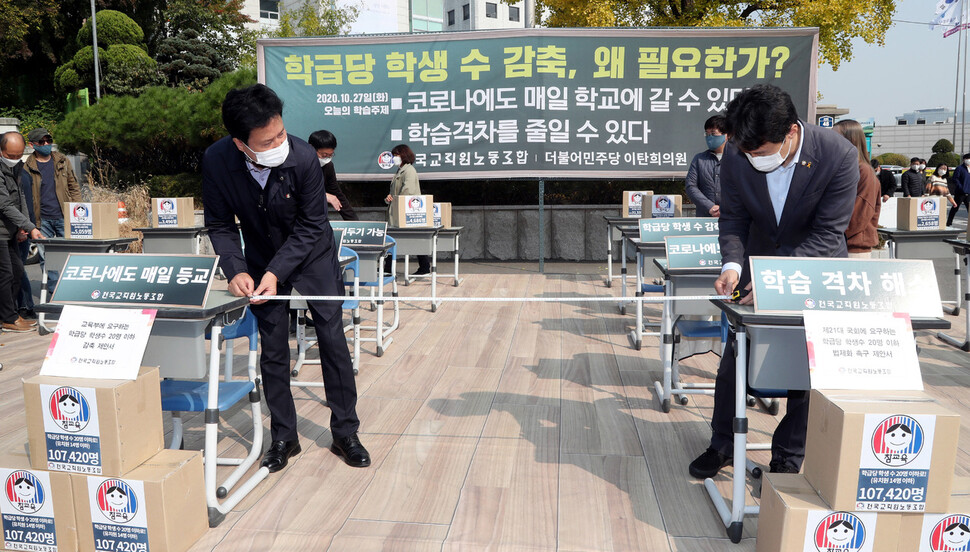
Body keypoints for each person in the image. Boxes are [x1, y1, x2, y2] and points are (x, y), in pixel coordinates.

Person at [688, 84, 858, 479]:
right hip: (755, 270)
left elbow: (828, 233)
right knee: (735, 360)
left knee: (807, 369)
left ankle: (787, 456)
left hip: (814, 272)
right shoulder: (735, 152)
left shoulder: (838, 155)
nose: (751, 159)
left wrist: (777, 279)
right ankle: (722, 444)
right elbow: (733, 218)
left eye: (760, 153)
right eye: (746, 152)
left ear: (791, 133)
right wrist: (731, 263)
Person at [202, 84, 370, 470]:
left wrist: (278, 271)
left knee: (331, 338)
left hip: (313, 255)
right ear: (240, 143)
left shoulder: (305, 157)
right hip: (260, 254)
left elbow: (312, 225)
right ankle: (284, 436)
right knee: (273, 345)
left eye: (280, 133)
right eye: (267, 140)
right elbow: (219, 224)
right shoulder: (216, 161)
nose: (279, 143)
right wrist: (236, 268)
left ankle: (345, 432)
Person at [23, 128, 82, 294]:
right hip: (41, 219)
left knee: (71, 253)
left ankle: (74, 288)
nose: (46, 144)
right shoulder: (27, 166)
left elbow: (73, 186)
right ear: (32, 145)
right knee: (46, 258)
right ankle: (56, 291)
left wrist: (78, 210)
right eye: (42, 142)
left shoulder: (62, 161)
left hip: (64, 215)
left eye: (48, 140)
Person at [0, 132, 43, 333]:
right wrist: (31, 227)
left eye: (19, 155)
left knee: (17, 271)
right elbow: (5, 205)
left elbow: (21, 198)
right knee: (6, 274)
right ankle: (7, 318)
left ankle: (10, 314)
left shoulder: (18, 167)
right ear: (1, 151)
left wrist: (24, 227)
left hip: (11, 230)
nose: (15, 159)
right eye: (11, 155)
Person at [833, 120, 881, 258]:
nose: (832, 142)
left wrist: (828, 234)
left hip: (854, 249)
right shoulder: (842, 168)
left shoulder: (864, 171)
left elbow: (860, 214)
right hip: (838, 244)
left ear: (850, 140)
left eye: (836, 137)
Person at [385, 144, 430, 275]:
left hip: (406, 210)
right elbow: (395, 193)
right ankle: (423, 266)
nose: (394, 158)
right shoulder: (400, 170)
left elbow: (408, 192)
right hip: (399, 209)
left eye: (396, 155)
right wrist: (388, 198)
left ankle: (424, 267)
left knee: (407, 238)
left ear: (403, 155)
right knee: (397, 238)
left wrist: (395, 199)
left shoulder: (408, 170)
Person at [307, 130, 358, 221]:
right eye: (324, 155)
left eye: (330, 155)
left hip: (317, 216)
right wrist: (324, 195)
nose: (327, 158)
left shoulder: (328, 166)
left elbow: (336, 194)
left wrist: (354, 222)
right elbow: (297, 191)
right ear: (311, 148)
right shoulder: (298, 165)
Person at [685, 115, 726, 217]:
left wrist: (727, 208)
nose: (709, 138)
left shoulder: (739, 159)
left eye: (713, 133)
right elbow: (691, 186)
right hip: (705, 218)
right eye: (707, 134)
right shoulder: (699, 159)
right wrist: (710, 207)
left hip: (733, 218)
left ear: (726, 135)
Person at [17, 164, 35, 318]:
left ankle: (26, 307)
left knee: (17, 270)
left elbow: (27, 204)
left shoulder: (21, 175)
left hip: (19, 231)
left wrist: (24, 228)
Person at [948, 153, 970, 226]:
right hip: (960, 193)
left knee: (969, 209)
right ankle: (949, 222)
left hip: (969, 193)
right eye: (967, 159)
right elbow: (955, 179)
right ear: (964, 160)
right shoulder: (960, 168)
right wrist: (961, 187)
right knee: (955, 207)